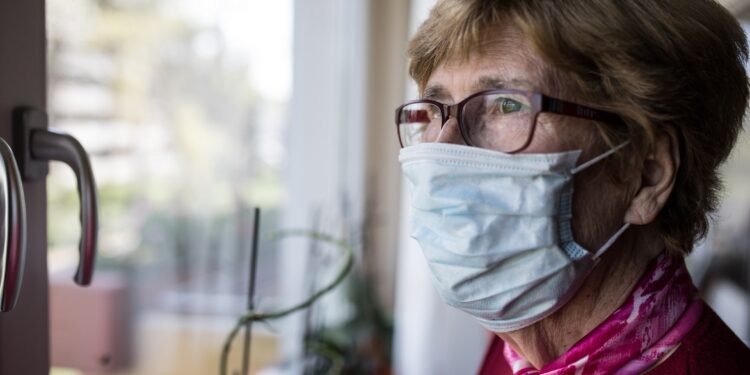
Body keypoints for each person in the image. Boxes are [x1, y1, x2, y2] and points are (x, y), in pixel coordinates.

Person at [395, 0, 750, 373]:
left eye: (507, 105)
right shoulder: (512, 355)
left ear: (647, 174)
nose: (443, 148)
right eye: (436, 108)